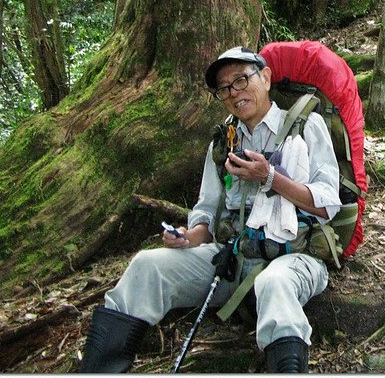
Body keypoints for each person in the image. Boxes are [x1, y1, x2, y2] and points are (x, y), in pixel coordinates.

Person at [79, 46, 341, 373]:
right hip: (230, 260)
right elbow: (205, 211)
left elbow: (328, 205)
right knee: (147, 265)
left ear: (266, 77)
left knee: (275, 283)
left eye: (242, 80)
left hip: (295, 258)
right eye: (224, 87)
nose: (234, 92)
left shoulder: (306, 126)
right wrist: (189, 237)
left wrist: (270, 177)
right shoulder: (223, 143)